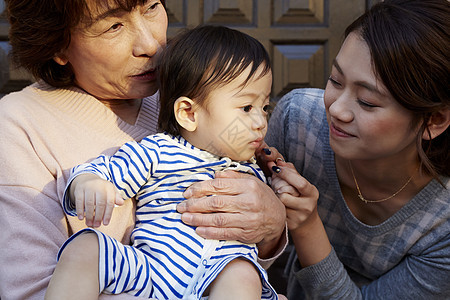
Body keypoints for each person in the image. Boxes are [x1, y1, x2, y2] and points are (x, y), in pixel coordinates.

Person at [0, 1, 286, 299]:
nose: (151, 45)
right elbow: (32, 291)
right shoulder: (18, 125)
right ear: (57, 45)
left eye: (151, 7)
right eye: (114, 26)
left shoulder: (202, 90)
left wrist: (272, 224)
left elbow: (254, 257)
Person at [264, 0, 450, 298]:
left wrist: (308, 226)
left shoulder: (442, 224)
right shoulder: (297, 121)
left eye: (367, 102)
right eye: (335, 80)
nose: (337, 109)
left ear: (434, 120)